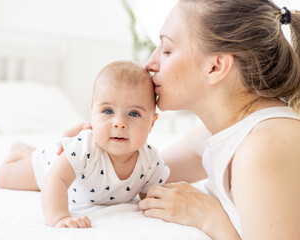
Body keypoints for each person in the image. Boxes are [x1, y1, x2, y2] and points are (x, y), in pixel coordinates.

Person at [58, 1, 300, 239]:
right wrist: (83, 152)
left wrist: (208, 215)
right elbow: (138, 176)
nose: (150, 64)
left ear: (215, 67)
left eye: (166, 50)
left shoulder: (266, 145)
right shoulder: (220, 132)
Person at [0, 61, 170, 228]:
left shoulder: (151, 160)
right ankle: (23, 153)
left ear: (152, 123)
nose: (119, 123)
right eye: (108, 111)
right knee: (4, 177)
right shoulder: (86, 146)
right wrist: (60, 217)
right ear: (92, 114)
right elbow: (56, 179)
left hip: (69, 160)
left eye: (134, 113)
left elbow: (149, 196)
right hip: (49, 164)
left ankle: (28, 150)